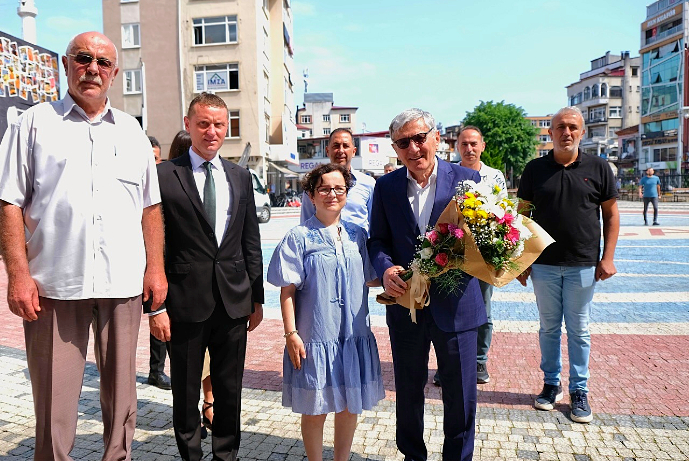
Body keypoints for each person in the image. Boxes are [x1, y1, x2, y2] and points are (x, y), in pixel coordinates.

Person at [0, 31, 167, 460]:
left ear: (114, 74)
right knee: (54, 402)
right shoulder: (32, 123)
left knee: (123, 400)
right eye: (83, 58)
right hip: (54, 285)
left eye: (103, 63)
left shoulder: (132, 132)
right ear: (66, 65)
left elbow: (150, 208)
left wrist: (155, 268)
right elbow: (9, 203)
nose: (93, 68)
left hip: (121, 283)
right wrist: (18, 276)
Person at [149, 92, 264, 461]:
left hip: (233, 302)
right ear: (188, 125)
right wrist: (155, 306)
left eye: (218, 124)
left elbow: (250, 241)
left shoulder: (241, 177)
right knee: (184, 392)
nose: (211, 132)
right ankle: (191, 456)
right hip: (184, 303)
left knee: (230, 389)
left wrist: (257, 298)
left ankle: (226, 456)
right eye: (203, 124)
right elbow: (152, 245)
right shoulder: (164, 175)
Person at [368, 108, 485, 461]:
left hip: (458, 305)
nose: (414, 148)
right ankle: (413, 456)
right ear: (395, 149)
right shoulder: (385, 186)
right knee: (407, 389)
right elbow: (378, 241)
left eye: (420, 138)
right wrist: (386, 269)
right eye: (404, 142)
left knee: (461, 393)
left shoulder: (468, 180)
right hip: (407, 307)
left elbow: (484, 239)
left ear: (436, 137)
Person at [268, 163, 385, 461]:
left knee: (349, 405)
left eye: (339, 188)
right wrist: (291, 334)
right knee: (316, 408)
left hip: (353, 335)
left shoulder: (359, 235)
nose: (332, 194)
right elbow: (287, 291)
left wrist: (404, 278)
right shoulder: (299, 237)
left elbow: (370, 277)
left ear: (347, 193)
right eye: (324, 188)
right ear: (311, 195)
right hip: (315, 336)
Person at [517, 106, 619, 424]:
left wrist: (608, 257)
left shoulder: (599, 168)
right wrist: (521, 261)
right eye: (560, 127)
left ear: (582, 132)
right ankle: (551, 385)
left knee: (579, 330)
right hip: (544, 265)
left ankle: (579, 391)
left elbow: (612, 215)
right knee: (548, 328)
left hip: (583, 264)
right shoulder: (534, 170)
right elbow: (520, 217)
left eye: (573, 127)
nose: (567, 132)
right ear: (550, 133)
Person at [161, 128, 216, 438]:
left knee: (189, 361)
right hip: (183, 293)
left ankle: (201, 407)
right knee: (196, 358)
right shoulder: (168, 185)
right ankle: (205, 405)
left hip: (184, 292)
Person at [451, 125, 507, 386]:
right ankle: (448, 361)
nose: (469, 148)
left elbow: (504, 214)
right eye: (464, 144)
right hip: (453, 252)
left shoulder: (494, 177)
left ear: (483, 146)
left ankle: (479, 361)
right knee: (449, 309)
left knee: (483, 309)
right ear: (457, 147)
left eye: (474, 143)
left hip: (484, 254)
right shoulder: (448, 173)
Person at [300, 128, 375, 232]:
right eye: (336, 146)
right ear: (327, 151)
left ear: (354, 151)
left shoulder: (368, 184)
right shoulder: (313, 183)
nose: (341, 151)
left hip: (359, 246)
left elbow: (375, 224)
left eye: (345, 146)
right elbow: (306, 224)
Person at [146, 135, 172, 391]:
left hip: (162, 261)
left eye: (154, 158)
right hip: (138, 261)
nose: (151, 164)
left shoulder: (166, 183)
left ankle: (157, 370)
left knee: (160, 313)